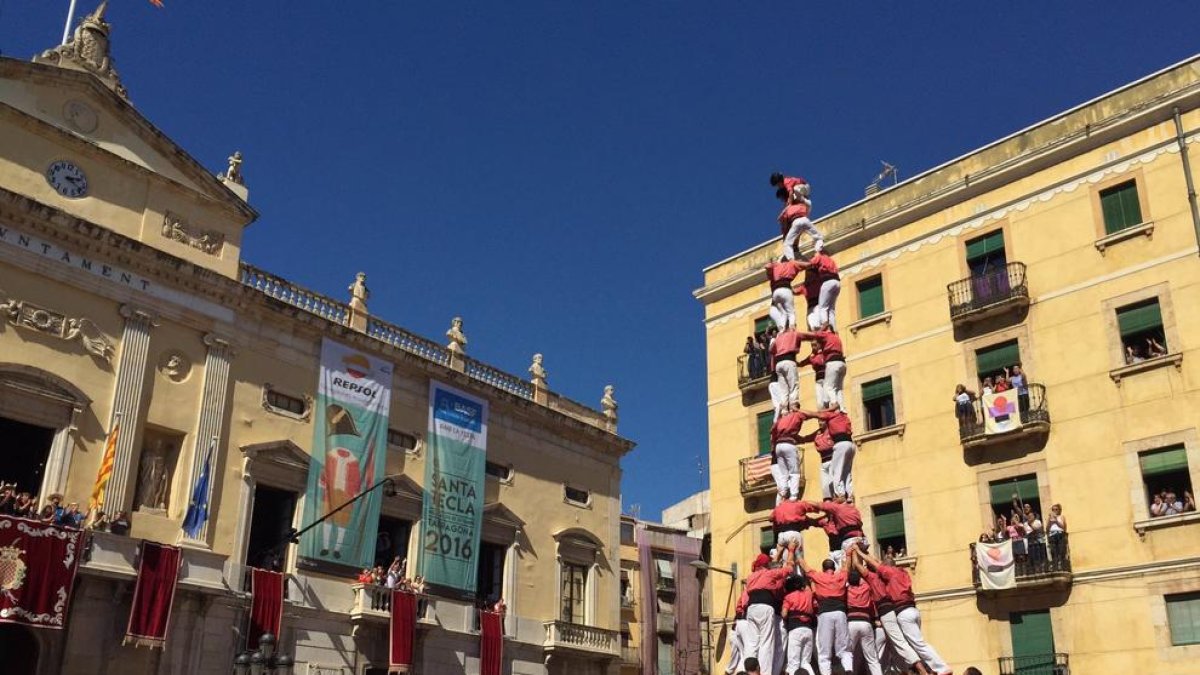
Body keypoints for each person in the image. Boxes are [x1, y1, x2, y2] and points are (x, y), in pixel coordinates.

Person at [858, 549, 952, 675]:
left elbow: (876, 564)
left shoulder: (888, 573)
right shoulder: (902, 572)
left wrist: (858, 551)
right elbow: (879, 562)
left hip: (903, 613)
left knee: (915, 644)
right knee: (914, 644)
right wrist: (866, 551)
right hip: (914, 611)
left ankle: (940, 668)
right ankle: (926, 669)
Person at [738, 544, 798, 675]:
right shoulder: (770, 573)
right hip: (765, 607)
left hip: (751, 609)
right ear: (767, 564)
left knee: (752, 643)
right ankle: (765, 672)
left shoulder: (750, 577)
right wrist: (791, 552)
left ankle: (748, 671)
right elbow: (788, 569)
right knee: (766, 642)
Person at [797, 556, 850, 675]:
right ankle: (849, 671)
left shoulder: (818, 576)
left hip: (825, 614)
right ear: (834, 568)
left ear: (823, 568)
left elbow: (805, 568)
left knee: (824, 652)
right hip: (841, 613)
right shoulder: (840, 575)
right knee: (844, 649)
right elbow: (846, 567)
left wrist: (797, 555)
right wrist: (848, 554)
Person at [802, 404, 856, 498]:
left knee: (837, 472)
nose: (820, 422)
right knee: (846, 472)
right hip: (849, 444)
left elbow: (816, 414)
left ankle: (841, 495)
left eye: (822, 420)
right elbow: (806, 438)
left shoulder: (832, 417)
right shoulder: (843, 417)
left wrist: (800, 412)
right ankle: (849, 495)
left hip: (839, 446)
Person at [843, 549, 883, 675]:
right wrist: (856, 553)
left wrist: (848, 557)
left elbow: (843, 578)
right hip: (866, 622)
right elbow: (864, 576)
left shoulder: (846, 590)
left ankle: (850, 672)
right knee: (872, 657)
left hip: (851, 623)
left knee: (849, 652)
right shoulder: (866, 588)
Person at [771, 173, 824, 258]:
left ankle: (791, 259)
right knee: (818, 237)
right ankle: (818, 251)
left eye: (777, 185)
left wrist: (788, 205)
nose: (778, 186)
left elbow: (785, 226)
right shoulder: (797, 201)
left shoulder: (787, 206)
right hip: (805, 215)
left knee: (787, 244)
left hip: (797, 220)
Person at [798, 324, 846, 412]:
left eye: (815, 345)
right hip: (821, 377)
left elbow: (816, 334)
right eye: (812, 345)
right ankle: (841, 408)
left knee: (829, 391)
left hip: (828, 373)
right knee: (832, 393)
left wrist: (799, 335)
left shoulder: (825, 345)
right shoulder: (835, 338)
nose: (813, 347)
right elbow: (801, 364)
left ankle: (835, 407)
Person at [770, 404, 810, 502]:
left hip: (778, 450)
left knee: (784, 478)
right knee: (794, 473)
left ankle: (783, 495)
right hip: (785, 449)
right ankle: (793, 497)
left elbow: (773, 429)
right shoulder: (792, 418)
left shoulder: (779, 425)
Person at [795, 252, 841, 331]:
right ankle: (832, 329)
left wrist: (795, 263)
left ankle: (827, 325)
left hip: (816, 307)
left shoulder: (818, 281)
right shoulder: (805, 286)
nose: (808, 274)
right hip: (812, 309)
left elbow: (809, 264)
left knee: (822, 316)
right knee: (829, 311)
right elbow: (795, 291)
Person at [816, 495, 865, 570]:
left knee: (850, 567)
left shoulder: (840, 514)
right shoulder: (824, 520)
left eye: (829, 505)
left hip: (842, 549)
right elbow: (812, 522)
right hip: (832, 551)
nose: (828, 508)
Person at [782, 574, 817, 675]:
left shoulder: (788, 597)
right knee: (806, 662)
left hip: (795, 630)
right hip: (808, 630)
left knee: (793, 663)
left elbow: (784, 614)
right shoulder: (808, 594)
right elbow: (808, 587)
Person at [765, 260, 805, 331]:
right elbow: (793, 292)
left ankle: (782, 330)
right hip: (776, 307)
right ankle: (791, 328)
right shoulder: (783, 280)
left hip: (774, 304)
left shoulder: (774, 279)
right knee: (791, 313)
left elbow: (767, 267)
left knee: (784, 315)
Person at [770, 328, 802, 414]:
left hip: (779, 365)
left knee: (783, 390)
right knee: (793, 386)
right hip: (789, 361)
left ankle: (784, 410)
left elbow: (771, 349)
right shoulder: (792, 335)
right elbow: (797, 350)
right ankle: (793, 406)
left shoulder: (778, 338)